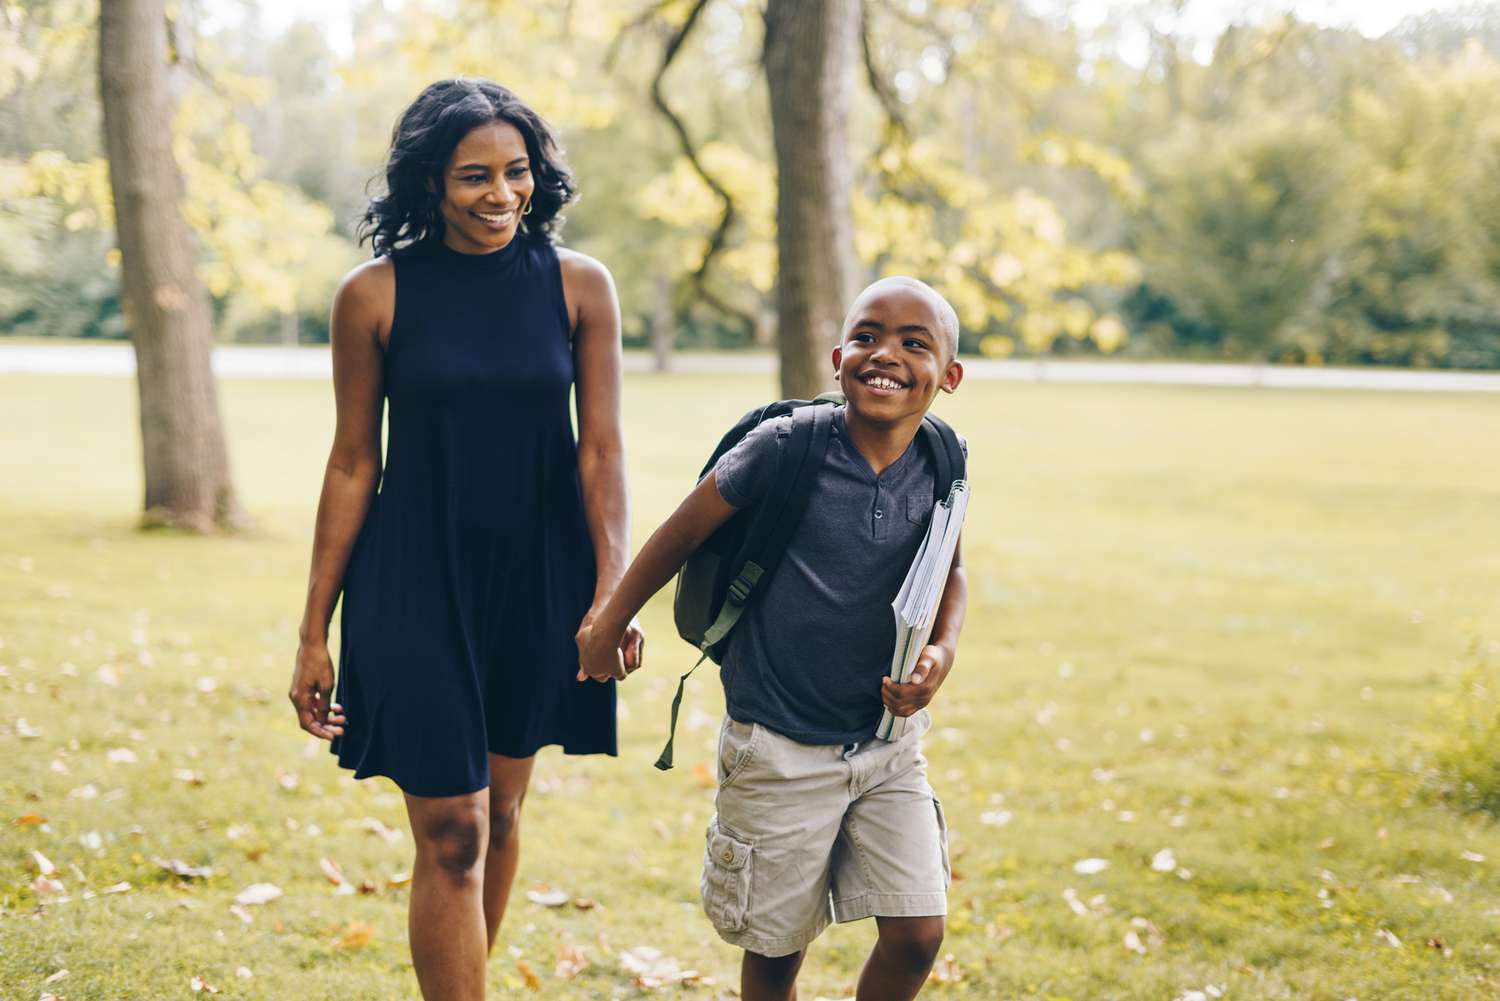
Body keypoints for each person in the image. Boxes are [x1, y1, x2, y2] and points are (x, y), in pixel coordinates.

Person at [288, 78, 642, 1001]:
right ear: (429, 183)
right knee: (452, 827)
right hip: (412, 574)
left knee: (504, 811)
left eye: (516, 172)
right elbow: (352, 463)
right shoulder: (372, 296)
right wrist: (312, 628)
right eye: (473, 176)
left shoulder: (580, 285)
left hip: (536, 575)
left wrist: (613, 593)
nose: (500, 194)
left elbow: (601, 450)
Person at [580, 276, 968, 1001]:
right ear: (836, 356)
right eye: (867, 336)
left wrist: (941, 651)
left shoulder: (944, 458)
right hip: (779, 747)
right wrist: (609, 622)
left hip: (886, 746)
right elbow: (682, 531)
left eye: (914, 343)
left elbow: (951, 567)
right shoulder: (786, 447)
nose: (885, 353)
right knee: (775, 952)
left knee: (918, 930)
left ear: (948, 374)